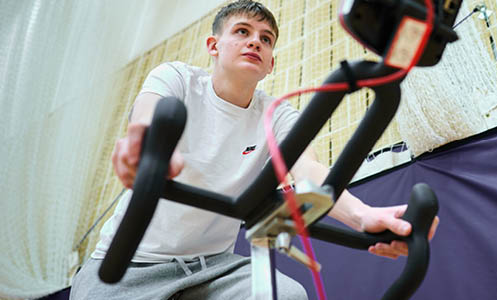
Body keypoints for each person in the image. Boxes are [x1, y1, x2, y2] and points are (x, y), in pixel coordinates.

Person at [70, 1, 438, 299]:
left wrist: (363, 217)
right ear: (214, 47)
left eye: (265, 39)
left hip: (213, 267)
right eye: (242, 32)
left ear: (271, 63)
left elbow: (309, 170)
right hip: (131, 264)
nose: (255, 42)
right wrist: (143, 146)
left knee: (289, 295)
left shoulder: (276, 114)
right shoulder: (177, 78)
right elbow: (148, 119)